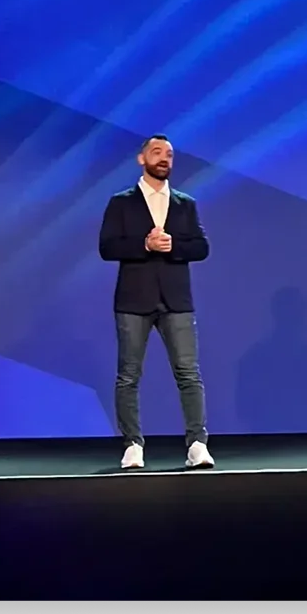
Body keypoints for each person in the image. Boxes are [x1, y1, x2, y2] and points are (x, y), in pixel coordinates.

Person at [98, 134, 215, 470]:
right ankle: (133, 444)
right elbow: (107, 248)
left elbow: (201, 248)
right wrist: (144, 245)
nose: (164, 158)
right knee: (128, 376)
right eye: (157, 152)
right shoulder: (121, 202)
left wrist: (172, 245)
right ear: (141, 159)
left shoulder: (185, 203)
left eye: (169, 154)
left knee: (189, 374)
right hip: (133, 301)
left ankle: (197, 444)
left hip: (176, 300)